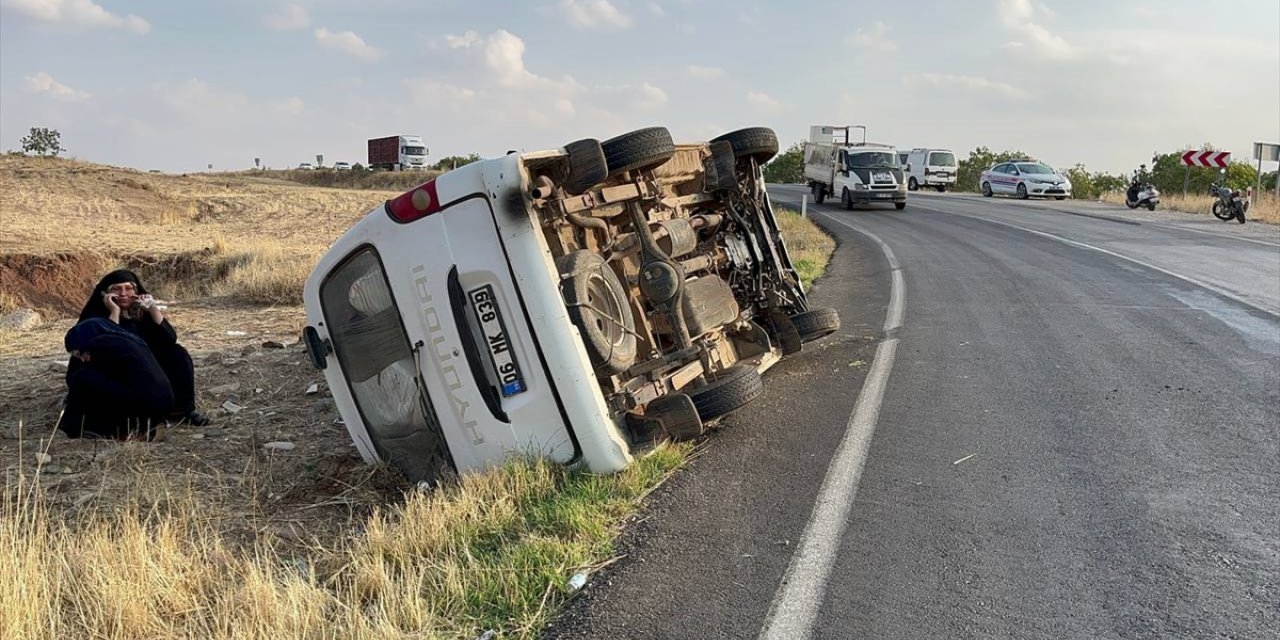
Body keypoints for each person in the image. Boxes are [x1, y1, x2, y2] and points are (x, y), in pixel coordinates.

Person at [72, 269, 210, 425]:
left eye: (128, 288)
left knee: (177, 353)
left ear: (136, 291)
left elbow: (169, 339)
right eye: (117, 289)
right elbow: (110, 346)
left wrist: (152, 309)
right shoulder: (95, 316)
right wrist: (115, 311)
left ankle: (182, 411)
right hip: (115, 371)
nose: (123, 293)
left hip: (145, 368)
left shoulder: (141, 313)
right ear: (106, 294)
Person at [58, 318, 175, 440]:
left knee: (81, 378)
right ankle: (150, 425)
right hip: (163, 404)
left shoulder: (100, 345)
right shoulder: (129, 340)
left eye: (78, 353)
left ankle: (72, 429)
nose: (82, 359)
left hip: (145, 405)